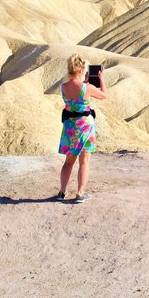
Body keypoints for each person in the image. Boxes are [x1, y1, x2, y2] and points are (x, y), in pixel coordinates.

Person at [57, 54, 107, 203]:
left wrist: (83, 82)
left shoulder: (63, 87)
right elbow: (104, 95)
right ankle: (80, 193)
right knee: (84, 163)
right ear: (81, 70)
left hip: (70, 127)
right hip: (85, 128)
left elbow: (74, 95)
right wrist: (101, 78)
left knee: (68, 162)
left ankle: (61, 192)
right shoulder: (87, 88)